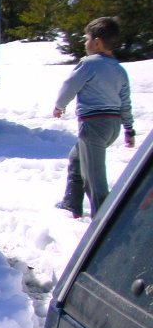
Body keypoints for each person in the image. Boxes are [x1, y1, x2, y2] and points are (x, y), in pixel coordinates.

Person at [54, 16, 136, 218]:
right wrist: (129, 129)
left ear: (97, 42)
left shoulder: (89, 64)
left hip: (94, 125)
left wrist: (59, 105)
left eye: (86, 38)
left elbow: (69, 86)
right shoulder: (119, 70)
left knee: (93, 177)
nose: (84, 43)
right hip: (113, 126)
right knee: (77, 159)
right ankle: (71, 203)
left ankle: (103, 220)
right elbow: (125, 101)